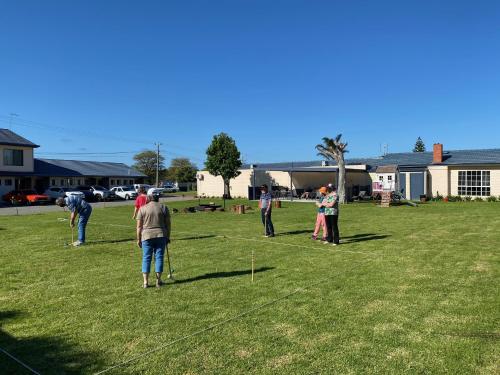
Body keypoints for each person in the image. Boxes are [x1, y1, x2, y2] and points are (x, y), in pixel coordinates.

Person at [136, 188, 172, 288]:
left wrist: (138, 239)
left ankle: (145, 282)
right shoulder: (164, 207)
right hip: (161, 235)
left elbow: (139, 227)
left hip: (146, 236)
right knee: (159, 257)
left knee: (146, 258)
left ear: (148, 196)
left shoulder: (142, 208)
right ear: (157, 196)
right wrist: (168, 236)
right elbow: (168, 224)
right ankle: (158, 281)